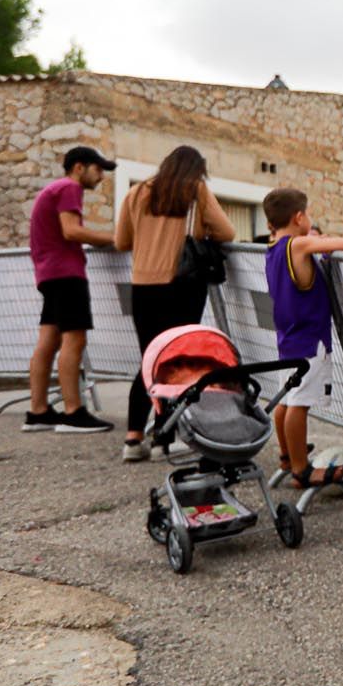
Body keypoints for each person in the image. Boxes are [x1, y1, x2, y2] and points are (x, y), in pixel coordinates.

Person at [116, 147, 236, 462]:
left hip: (142, 286)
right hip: (183, 285)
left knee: (150, 360)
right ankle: (163, 438)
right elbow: (227, 230)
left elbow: (121, 241)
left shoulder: (137, 192)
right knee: (176, 362)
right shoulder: (194, 190)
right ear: (196, 170)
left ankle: (132, 438)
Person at [263, 188, 343, 487]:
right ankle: (301, 469)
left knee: (286, 401)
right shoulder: (299, 244)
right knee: (299, 404)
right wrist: (323, 243)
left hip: (287, 338)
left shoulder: (273, 247)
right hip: (310, 339)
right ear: (299, 217)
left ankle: (287, 455)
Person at [24, 146, 117, 434]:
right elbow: (71, 231)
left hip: (48, 273)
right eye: (97, 169)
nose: (101, 176)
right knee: (74, 340)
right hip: (66, 273)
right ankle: (73, 411)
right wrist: (112, 238)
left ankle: (38, 411)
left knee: (48, 342)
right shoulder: (68, 188)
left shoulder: (52, 189)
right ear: (79, 167)